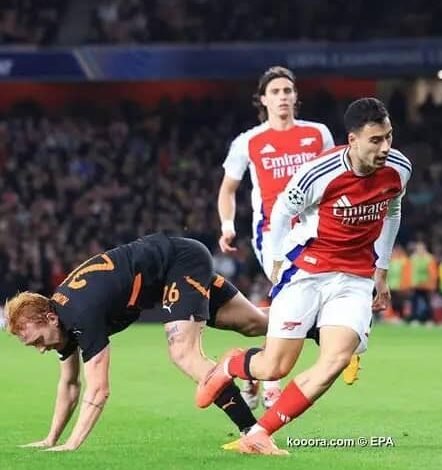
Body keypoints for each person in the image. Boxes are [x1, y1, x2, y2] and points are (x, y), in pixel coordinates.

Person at [196, 97, 412, 455]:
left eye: (389, 137)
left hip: (355, 278)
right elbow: (281, 211)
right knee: (274, 366)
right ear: (353, 140)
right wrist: (278, 261)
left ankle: (258, 434)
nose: (385, 148)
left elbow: (393, 209)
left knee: (335, 360)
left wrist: (382, 270)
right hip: (307, 272)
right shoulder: (319, 173)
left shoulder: (399, 168)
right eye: (376, 140)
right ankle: (231, 364)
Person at [4, 233, 268, 451]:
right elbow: (70, 384)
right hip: (170, 270)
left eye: (38, 341)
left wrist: (72, 444)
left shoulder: (80, 314)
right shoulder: (61, 316)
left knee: (183, 353)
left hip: (180, 262)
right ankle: (267, 351)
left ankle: (253, 433)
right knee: (257, 323)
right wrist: (51, 439)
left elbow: (98, 390)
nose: (41, 349)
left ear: (50, 318)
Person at [217, 66, 357, 409]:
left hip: (317, 229)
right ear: (263, 100)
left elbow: (336, 178)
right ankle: (271, 380)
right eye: (275, 92)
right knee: (288, 290)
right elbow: (228, 189)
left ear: (296, 97)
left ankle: (255, 367)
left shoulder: (318, 134)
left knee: (306, 298)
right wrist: (227, 224)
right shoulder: (248, 141)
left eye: (287, 91)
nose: (282, 97)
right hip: (273, 233)